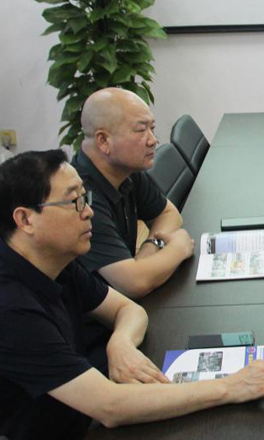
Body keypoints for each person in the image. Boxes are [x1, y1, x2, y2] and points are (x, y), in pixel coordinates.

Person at [0, 151, 264, 440]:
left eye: (85, 197)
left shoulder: (54, 263)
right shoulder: (3, 307)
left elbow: (128, 310)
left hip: (67, 429)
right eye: (74, 202)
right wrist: (230, 386)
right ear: (26, 220)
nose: (88, 212)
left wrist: (121, 343)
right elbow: (110, 406)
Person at [73, 88, 193, 298]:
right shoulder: (81, 196)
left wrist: (150, 247)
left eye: (152, 129)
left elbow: (168, 213)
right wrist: (179, 248)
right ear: (103, 141)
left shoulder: (125, 169)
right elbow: (133, 283)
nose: (152, 140)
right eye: (140, 130)